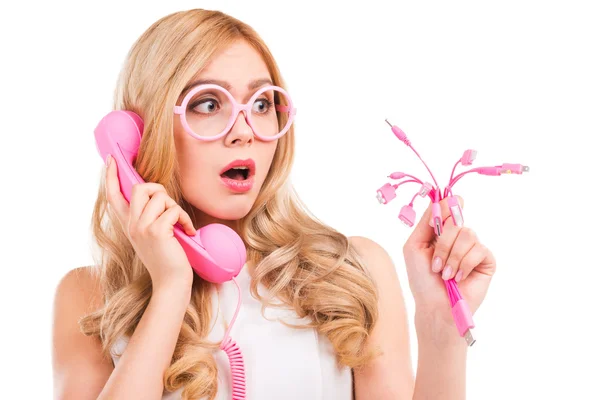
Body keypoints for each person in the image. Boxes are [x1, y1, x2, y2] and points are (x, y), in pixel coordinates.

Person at [51, 8, 497, 400]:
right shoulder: (89, 296)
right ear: (137, 132)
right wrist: (170, 287)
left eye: (262, 103)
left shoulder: (352, 269)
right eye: (209, 103)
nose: (245, 130)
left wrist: (441, 334)